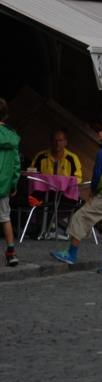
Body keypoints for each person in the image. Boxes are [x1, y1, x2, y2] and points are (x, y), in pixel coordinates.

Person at [50, 121, 102, 274]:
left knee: (81, 217)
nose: (99, 132)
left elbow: (98, 175)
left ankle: (71, 254)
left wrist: (93, 191)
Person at [0, 99, 20, 267]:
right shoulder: (12, 136)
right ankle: (11, 252)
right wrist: (13, 184)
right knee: (5, 218)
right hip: (4, 186)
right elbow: (16, 165)